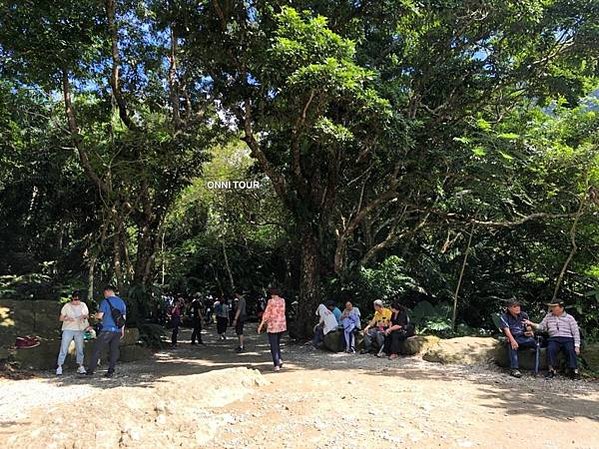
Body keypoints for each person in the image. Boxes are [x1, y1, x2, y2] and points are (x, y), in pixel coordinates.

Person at [525, 300, 581, 379]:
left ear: (561, 308)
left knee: (570, 350)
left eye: (555, 307)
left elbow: (576, 332)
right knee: (551, 349)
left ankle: (574, 371)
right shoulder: (548, 316)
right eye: (552, 307)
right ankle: (551, 370)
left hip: (567, 338)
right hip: (554, 338)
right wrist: (531, 324)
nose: (552, 309)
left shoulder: (569, 318)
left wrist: (577, 345)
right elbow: (542, 327)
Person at [87, 286, 126, 378]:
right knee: (113, 351)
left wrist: (94, 316)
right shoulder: (121, 302)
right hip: (117, 330)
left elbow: (100, 316)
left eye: (104, 293)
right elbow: (123, 318)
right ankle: (110, 371)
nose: (104, 295)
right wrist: (122, 330)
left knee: (97, 349)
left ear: (108, 291)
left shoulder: (105, 302)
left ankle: (90, 371)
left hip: (107, 329)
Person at [499, 299, 538, 378]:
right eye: (515, 307)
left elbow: (528, 327)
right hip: (513, 337)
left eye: (518, 306)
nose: (518, 308)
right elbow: (507, 330)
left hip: (523, 337)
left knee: (535, 343)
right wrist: (513, 340)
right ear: (509, 308)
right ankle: (514, 369)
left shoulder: (524, 315)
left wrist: (529, 331)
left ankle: (536, 367)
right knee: (511, 343)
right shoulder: (504, 317)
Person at [56, 291, 90, 375]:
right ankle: (59, 366)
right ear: (72, 298)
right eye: (75, 299)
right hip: (68, 328)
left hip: (79, 329)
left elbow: (87, 316)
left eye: (78, 300)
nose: (76, 301)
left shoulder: (83, 305)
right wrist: (67, 318)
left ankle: (80, 365)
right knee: (64, 347)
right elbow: (61, 318)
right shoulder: (67, 306)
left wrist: (83, 316)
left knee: (80, 348)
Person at [257, 288, 286, 371]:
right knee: (277, 343)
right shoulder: (282, 301)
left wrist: (261, 325)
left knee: (273, 345)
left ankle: (276, 364)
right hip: (281, 325)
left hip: (273, 326)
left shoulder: (271, 301)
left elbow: (266, 314)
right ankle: (279, 359)